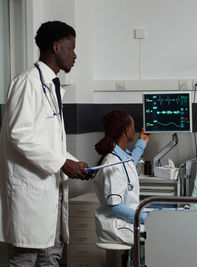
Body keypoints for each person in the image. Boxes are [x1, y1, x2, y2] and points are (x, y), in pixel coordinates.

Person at [0, 21, 91, 266]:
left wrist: (72, 162)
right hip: (29, 192)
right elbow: (18, 134)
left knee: (51, 256)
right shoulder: (27, 83)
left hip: (49, 192)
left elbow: (48, 141)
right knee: (25, 257)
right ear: (55, 47)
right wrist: (63, 163)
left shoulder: (51, 86)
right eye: (70, 49)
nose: (75, 55)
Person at [93, 110, 150, 245]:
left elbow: (130, 162)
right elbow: (115, 207)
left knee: (162, 226)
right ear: (126, 130)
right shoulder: (112, 163)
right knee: (162, 232)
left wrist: (143, 141)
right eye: (133, 127)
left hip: (124, 220)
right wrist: (145, 218)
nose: (134, 130)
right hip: (116, 225)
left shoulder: (120, 157)